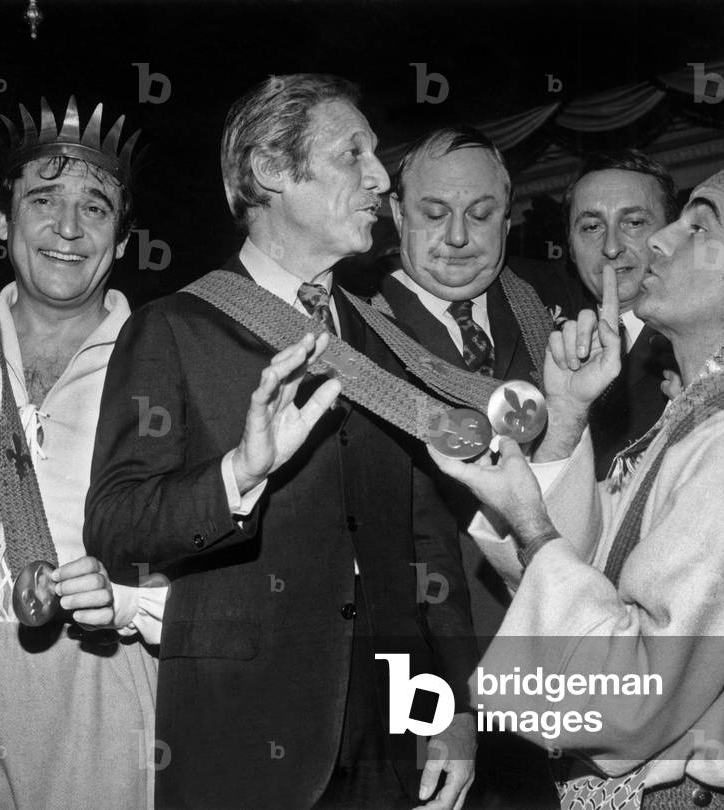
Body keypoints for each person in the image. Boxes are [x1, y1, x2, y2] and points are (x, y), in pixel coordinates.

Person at [433, 89, 724, 808]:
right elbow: (590, 586)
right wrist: (568, 416)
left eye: (698, 228)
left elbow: (628, 694)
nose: (658, 242)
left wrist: (534, 525)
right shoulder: (701, 425)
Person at [85, 74, 478, 810]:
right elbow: (115, 525)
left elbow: (427, 547)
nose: (379, 177)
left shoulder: (385, 348)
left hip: (390, 735)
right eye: (351, 154)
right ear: (270, 169)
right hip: (243, 728)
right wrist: (238, 472)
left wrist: (450, 707)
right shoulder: (173, 327)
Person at [0, 96, 166, 809]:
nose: (67, 228)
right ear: (2, 220)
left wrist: (136, 599)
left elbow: (221, 548)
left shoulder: (167, 358)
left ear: (121, 239)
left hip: (102, 671)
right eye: (43, 200)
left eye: (95, 208)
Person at [383, 124, 580, 809]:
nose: (459, 237)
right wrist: (439, 708)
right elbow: (382, 555)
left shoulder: (549, 311)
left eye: (482, 213)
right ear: (395, 214)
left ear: (509, 210)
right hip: (434, 686)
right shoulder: (354, 333)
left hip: (569, 668)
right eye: (434, 214)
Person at [562, 149, 679, 479]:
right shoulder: (546, 346)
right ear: (569, 247)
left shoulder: (711, 345)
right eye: (591, 227)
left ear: (672, 234)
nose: (612, 247)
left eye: (634, 223)